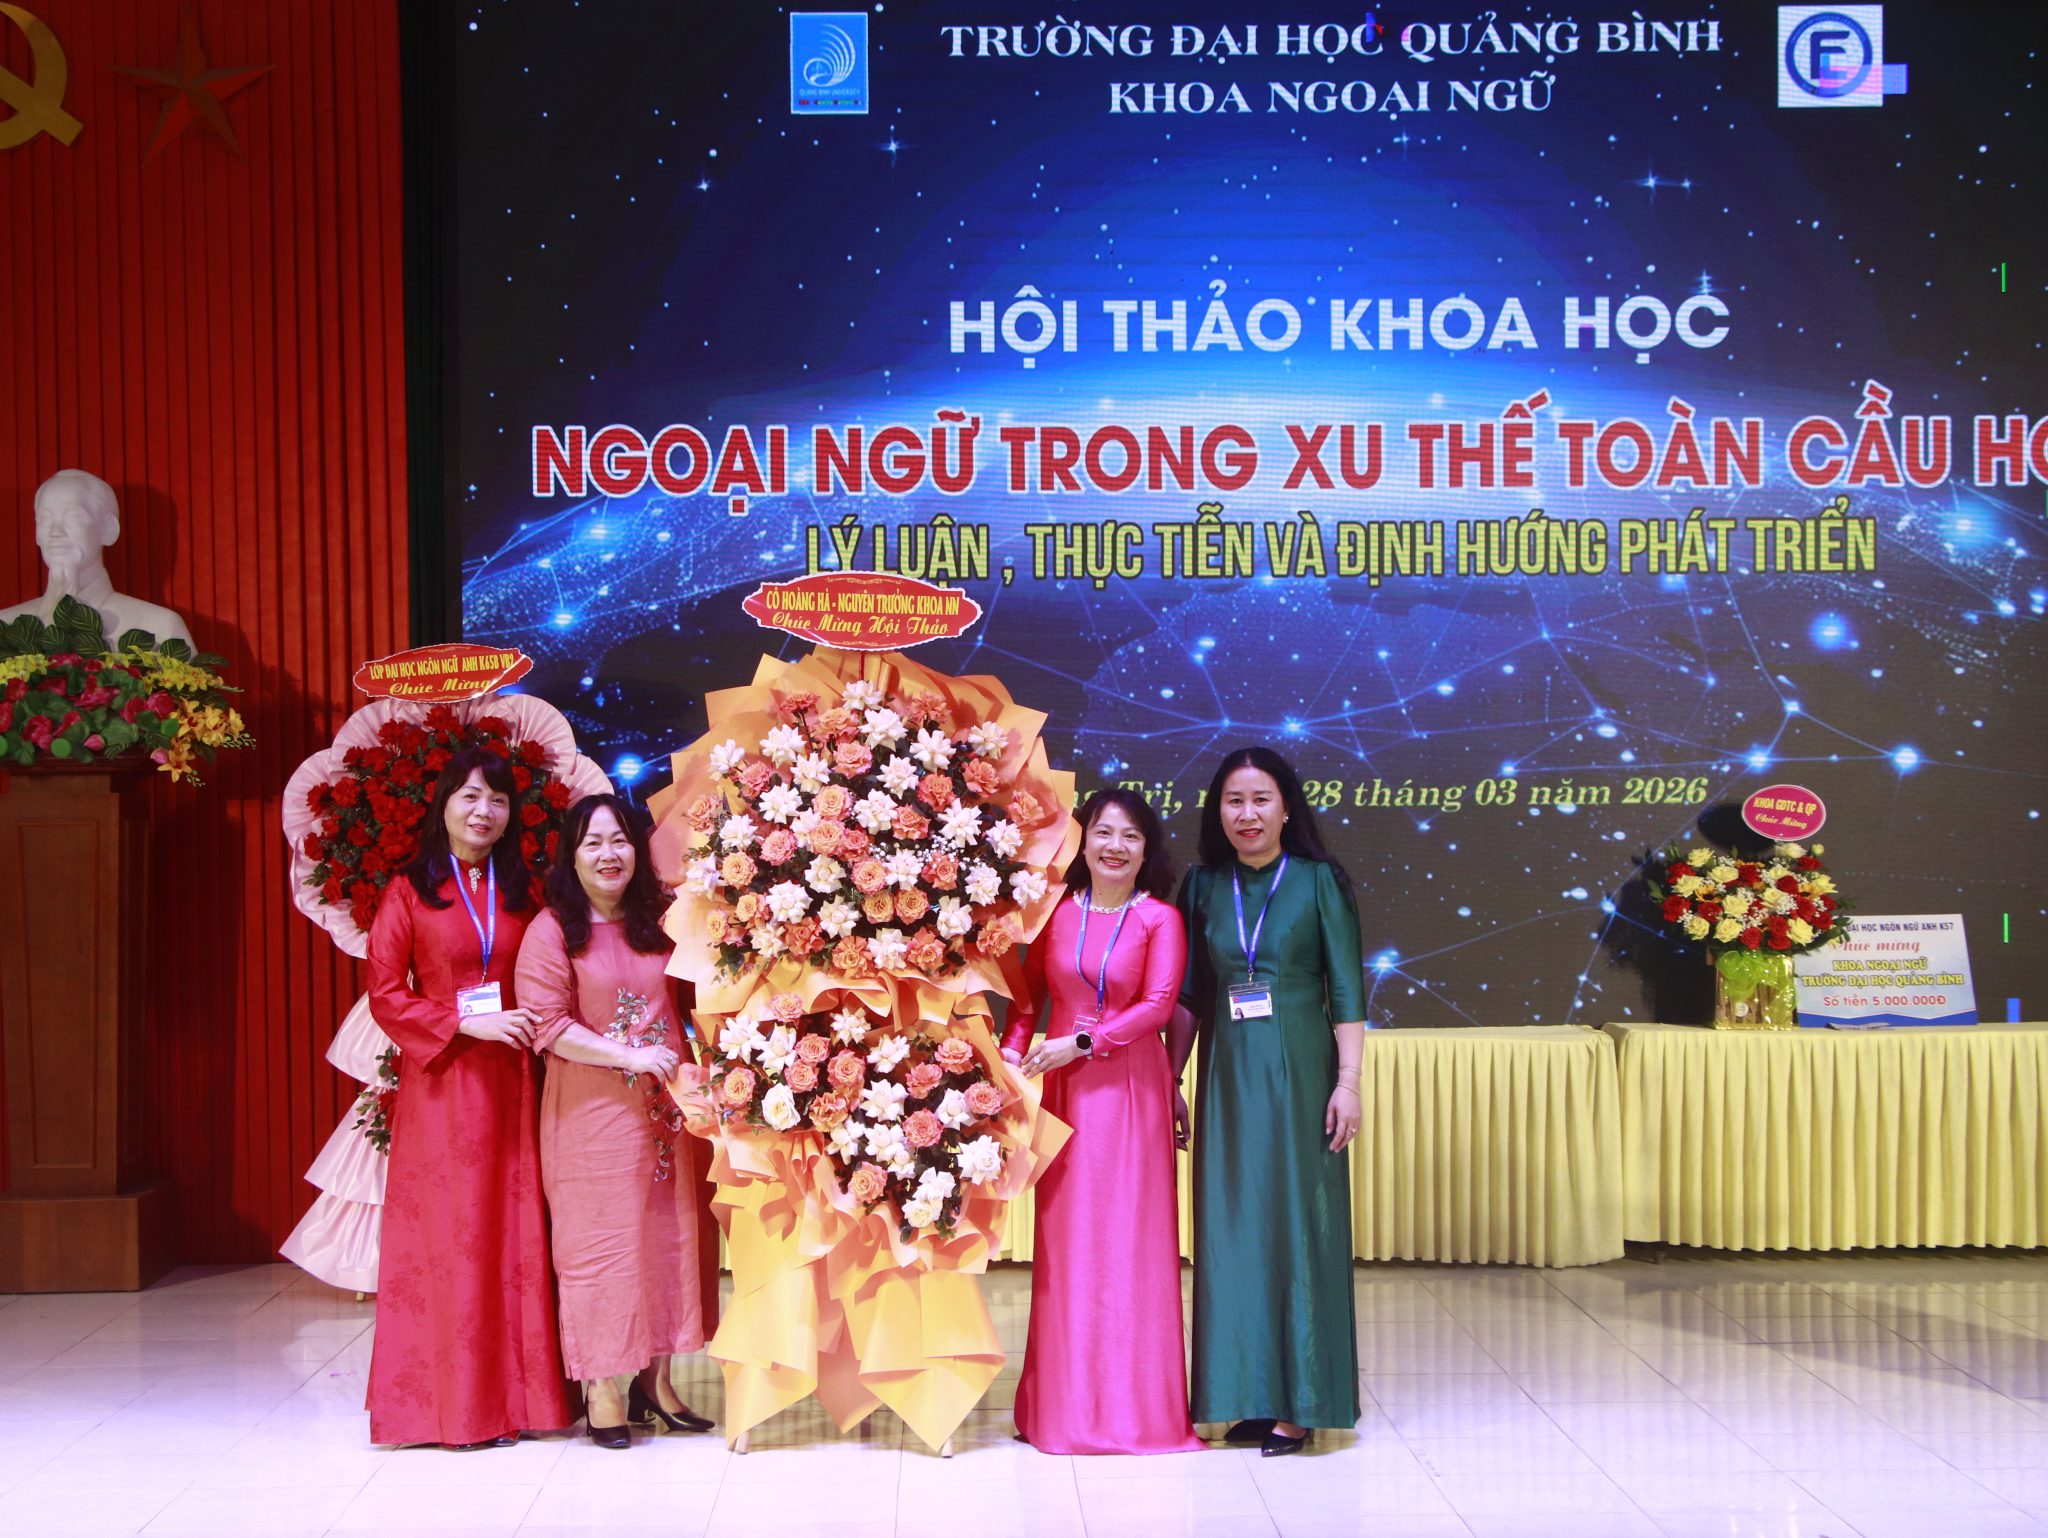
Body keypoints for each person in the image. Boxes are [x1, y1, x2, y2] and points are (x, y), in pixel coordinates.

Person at [364, 748, 572, 1449]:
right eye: (471, 796)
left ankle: (523, 1403)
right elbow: (385, 993)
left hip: (516, 1082)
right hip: (444, 1084)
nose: (484, 811)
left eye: (498, 800)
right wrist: (460, 1022)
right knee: (452, 1238)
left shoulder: (524, 891)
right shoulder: (408, 891)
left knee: (515, 1235)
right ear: (445, 804)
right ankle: (453, 1411)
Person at [1000, 788, 1203, 1456]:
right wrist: (1009, 1059)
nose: (1116, 847)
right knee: (1070, 1249)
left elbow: (1158, 1006)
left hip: (1131, 1091)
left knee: (1131, 1247)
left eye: (1131, 837)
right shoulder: (1054, 912)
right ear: (1082, 841)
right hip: (1063, 1094)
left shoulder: (1159, 919)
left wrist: (1083, 1042)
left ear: (1147, 851)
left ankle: (1136, 1415)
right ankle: (1060, 1411)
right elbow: (1026, 1002)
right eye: (1105, 833)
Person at [1176, 747, 1365, 1457]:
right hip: (1227, 1080)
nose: (1247, 814)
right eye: (1234, 800)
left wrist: (1349, 1083)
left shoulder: (1319, 882)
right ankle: (1244, 1392)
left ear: (1287, 808)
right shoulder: (1202, 886)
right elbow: (1188, 999)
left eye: (1261, 799)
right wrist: (1170, 1080)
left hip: (1302, 1077)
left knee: (1297, 1226)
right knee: (1231, 1231)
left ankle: (1303, 1400)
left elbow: (1346, 990)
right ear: (1217, 811)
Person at [514, 793, 717, 1449]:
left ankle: (655, 1383)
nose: (609, 854)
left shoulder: (659, 922)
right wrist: (629, 1055)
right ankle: (601, 1386)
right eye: (593, 842)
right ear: (571, 857)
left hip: (664, 1119)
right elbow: (548, 1027)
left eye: (620, 840)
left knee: (665, 1243)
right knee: (599, 1251)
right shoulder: (551, 931)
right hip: (590, 1119)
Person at [0, 469, 193, 646]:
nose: (55, 532)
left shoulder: (158, 627)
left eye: (73, 517)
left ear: (109, 529)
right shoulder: (6, 626)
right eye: (45, 519)